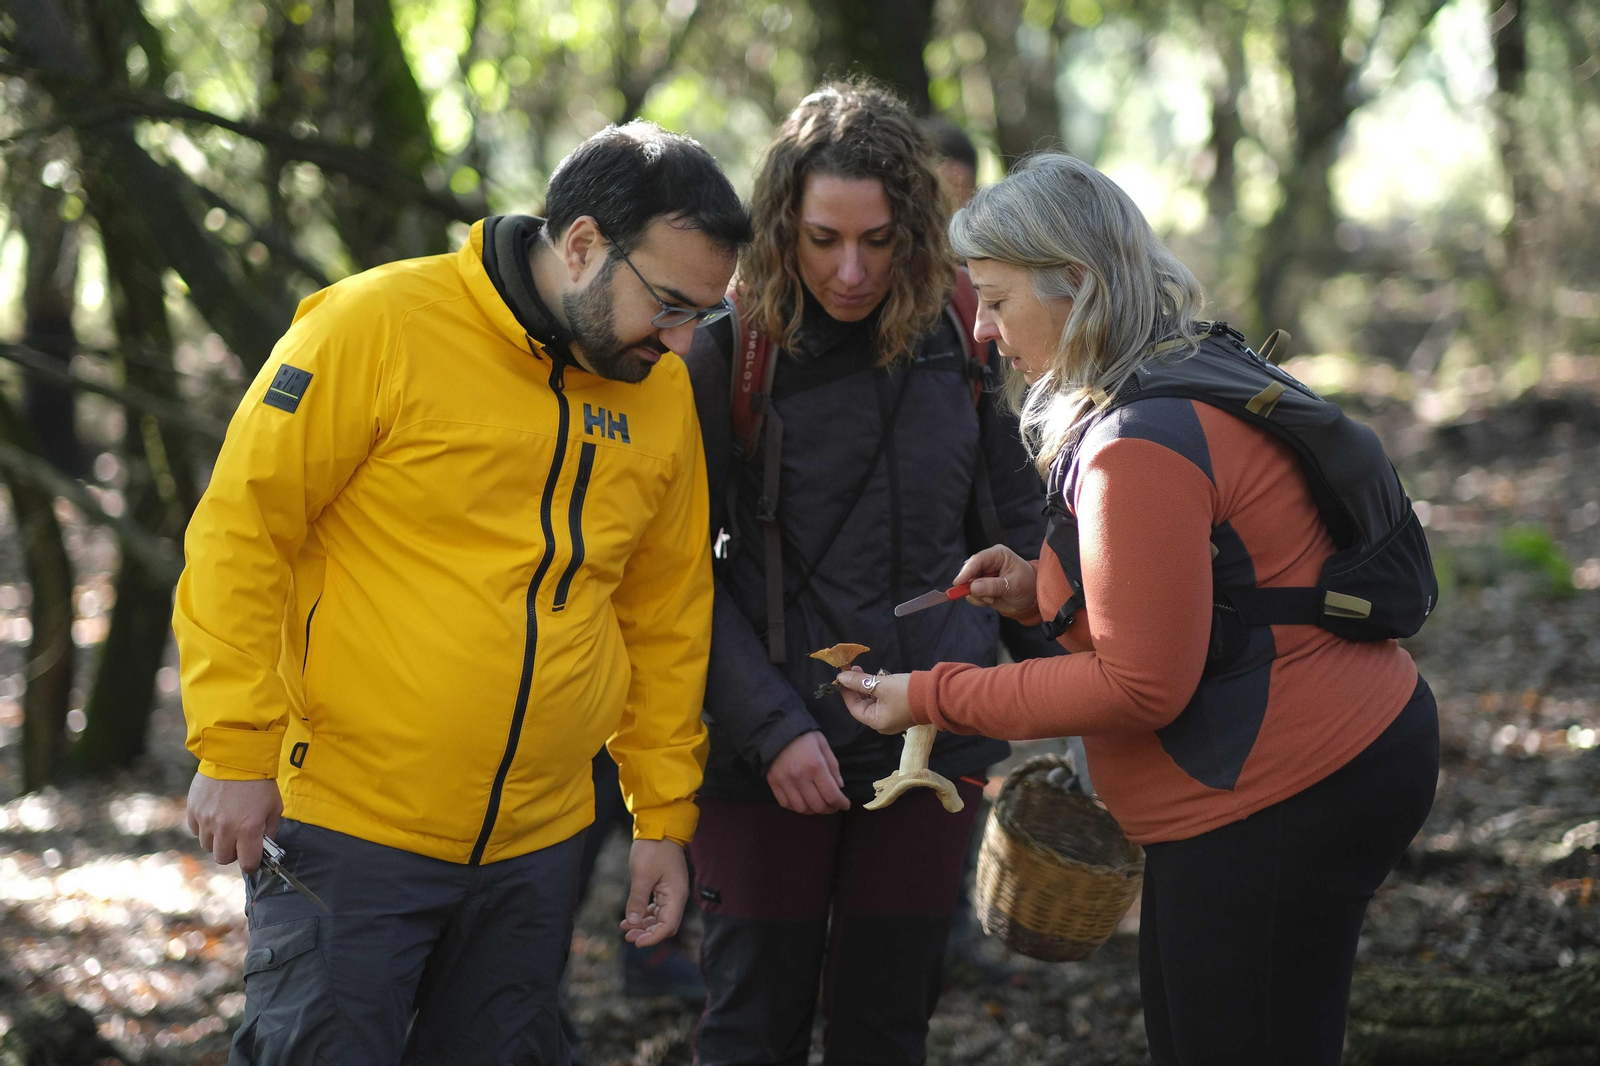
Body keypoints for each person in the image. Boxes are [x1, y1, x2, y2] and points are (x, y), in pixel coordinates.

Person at [837, 153, 1439, 1066]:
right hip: (1288, 767)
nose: (986, 332)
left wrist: (930, 695)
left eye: (997, 301)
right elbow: (1203, 586)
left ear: (1074, 285)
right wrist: (1045, 587)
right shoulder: (1166, 369)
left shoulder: (1136, 441)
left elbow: (1139, 686)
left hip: (1291, 784)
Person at [175, 121, 751, 1066]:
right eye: (670, 304)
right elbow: (242, 530)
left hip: (537, 847)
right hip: (348, 830)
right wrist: (234, 745)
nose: (686, 341)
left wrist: (661, 818)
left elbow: (665, 615)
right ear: (581, 245)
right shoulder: (375, 326)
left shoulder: (659, 393)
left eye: (706, 317)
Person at [682, 82, 1060, 1066]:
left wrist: (1084, 664)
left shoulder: (958, 335)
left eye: (878, 240)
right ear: (780, 227)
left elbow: (1014, 516)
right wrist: (769, 730)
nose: (849, 270)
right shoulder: (726, 354)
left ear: (916, 230)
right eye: (822, 239)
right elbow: (670, 578)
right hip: (768, 744)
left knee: (885, 1024)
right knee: (749, 1026)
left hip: (932, 741)